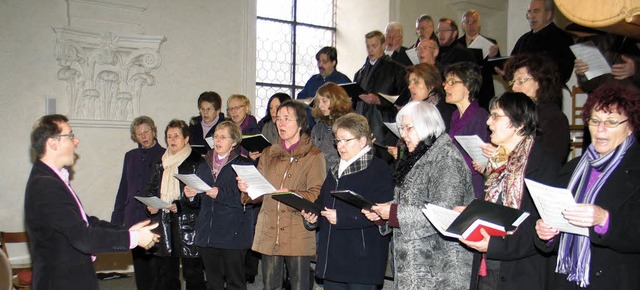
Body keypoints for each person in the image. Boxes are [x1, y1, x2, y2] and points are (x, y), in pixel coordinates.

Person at [25, 114, 159, 290]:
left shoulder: (51, 179)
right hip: (62, 282)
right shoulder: (46, 186)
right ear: (53, 143)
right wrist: (133, 238)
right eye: (71, 136)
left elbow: (86, 222)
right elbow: (83, 237)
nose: (77, 141)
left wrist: (126, 229)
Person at [535, 82, 640, 290]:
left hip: (615, 279)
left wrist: (605, 220)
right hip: (566, 279)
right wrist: (544, 231)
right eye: (594, 120)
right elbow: (552, 228)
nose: (600, 129)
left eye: (611, 122)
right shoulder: (573, 168)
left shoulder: (636, 169)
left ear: (630, 127)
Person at [363, 101, 475, 289]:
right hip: (416, 267)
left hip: (439, 270)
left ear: (427, 125)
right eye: (401, 129)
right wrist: (382, 213)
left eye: (408, 128)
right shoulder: (419, 155)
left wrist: (393, 213)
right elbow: (410, 201)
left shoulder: (446, 158)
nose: (403, 135)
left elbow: (445, 212)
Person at [462, 92, 560, 290]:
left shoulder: (542, 163)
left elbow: (540, 227)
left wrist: (497, 246)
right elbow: (495, 211)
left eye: (496, 116)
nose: (488, 122)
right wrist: (468, 215)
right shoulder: (497, 162)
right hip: (488, 265)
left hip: (520, 271)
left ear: (520, 123)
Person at [238, 100, 326, 290]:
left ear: (300, 123)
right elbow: (259, 193)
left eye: (287, 119)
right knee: (270, 286)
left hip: (297, 230)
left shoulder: (313, 155)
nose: (281, 123)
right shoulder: (268, 152)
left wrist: (289, 194)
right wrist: (247, 188)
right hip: (270, 228)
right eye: (278, 119)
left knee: (299, 285)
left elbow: (317, 194)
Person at [302, 113, 394, 289]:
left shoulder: (378, 169)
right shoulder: (336, 168)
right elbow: (322, 202)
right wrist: (313, 217)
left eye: (346, 140)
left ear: (363, 140)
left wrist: (342, 217)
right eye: (338, 141)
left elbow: (382, 213)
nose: (340, 146)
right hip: (334, 256)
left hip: (361, 260)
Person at [183, 121, 256, 290]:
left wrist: (220, 194)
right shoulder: (203, 164)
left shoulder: (244, 165)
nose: (218, 140)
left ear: (234, 142)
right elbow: (197, 203)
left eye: (223, 137)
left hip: (233, 234)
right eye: (216, 136)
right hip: (208, 234)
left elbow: (249, 201)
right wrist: (191, 196)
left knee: (235, 283)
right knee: (213, 283)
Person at [144, 119, 206, 290]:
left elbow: (203, 198)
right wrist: (150, 204)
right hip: (163, 223)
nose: (172, 140)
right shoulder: (160, 162)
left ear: (186, 139)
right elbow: (150, 189)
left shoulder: (197, 161)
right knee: (167, 274)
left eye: (176, 136)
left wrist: (179, 205)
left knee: (193, 274)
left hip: (188, 225)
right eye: (169, 136)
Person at [111, 116, 166, 290]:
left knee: (157, 270)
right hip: (133, 219)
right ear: (135, 136)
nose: (143, 136)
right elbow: (123, 188)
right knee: (140, 269)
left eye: (146, 131)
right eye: (139, 133)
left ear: (154, 131)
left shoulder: (165, 155)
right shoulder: (130, 156)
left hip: (155, 220)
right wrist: (116, 220)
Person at [504, 53, 571, 164]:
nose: (514, 87)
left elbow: (550, 162)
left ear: (541, 81)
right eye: (513, 82)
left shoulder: (553, 118)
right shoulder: (520, 113)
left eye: (521, 81)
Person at [353, 30, 408, 163]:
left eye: (374, 45)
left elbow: (403, 99)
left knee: (381, 164)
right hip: (363, 122)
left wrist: (379, 100)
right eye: (368, 46)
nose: (371, 50)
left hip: (383, 126)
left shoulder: (396, 70)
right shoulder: (360, 72)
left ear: (383, 46)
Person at [443, 62, 490, 198]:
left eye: (452, 82)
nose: (446, 87)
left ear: (468, 86)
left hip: (471, 186)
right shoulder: (455, 115)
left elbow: (477, 160)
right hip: (455, 182)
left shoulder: (479, 116)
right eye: (446, 82)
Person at [510, 0, 574, 84]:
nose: (532, 16)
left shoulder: (562, 38)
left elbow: (563, 73)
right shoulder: (523, 39)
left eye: (536, 11)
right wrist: (507, 72)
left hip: (547, 93)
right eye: (529, 12)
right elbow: (512, 65)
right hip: (523, 92)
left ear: (548, 14)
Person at [454, 10, 501, 109]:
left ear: (479, 24)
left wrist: (494, 56)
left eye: (474, 22)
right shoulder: (456, 45)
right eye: (467, 22)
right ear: (463, 25)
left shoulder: (490, 43)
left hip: (484, 89)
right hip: (464, 88)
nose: (471, 26)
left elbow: (497, 70)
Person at [310, 82, 353, 170]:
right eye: (318, 101)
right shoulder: (318, 127)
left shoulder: (349, 126)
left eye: (324, 101)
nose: (320, 105)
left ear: (336, 100)